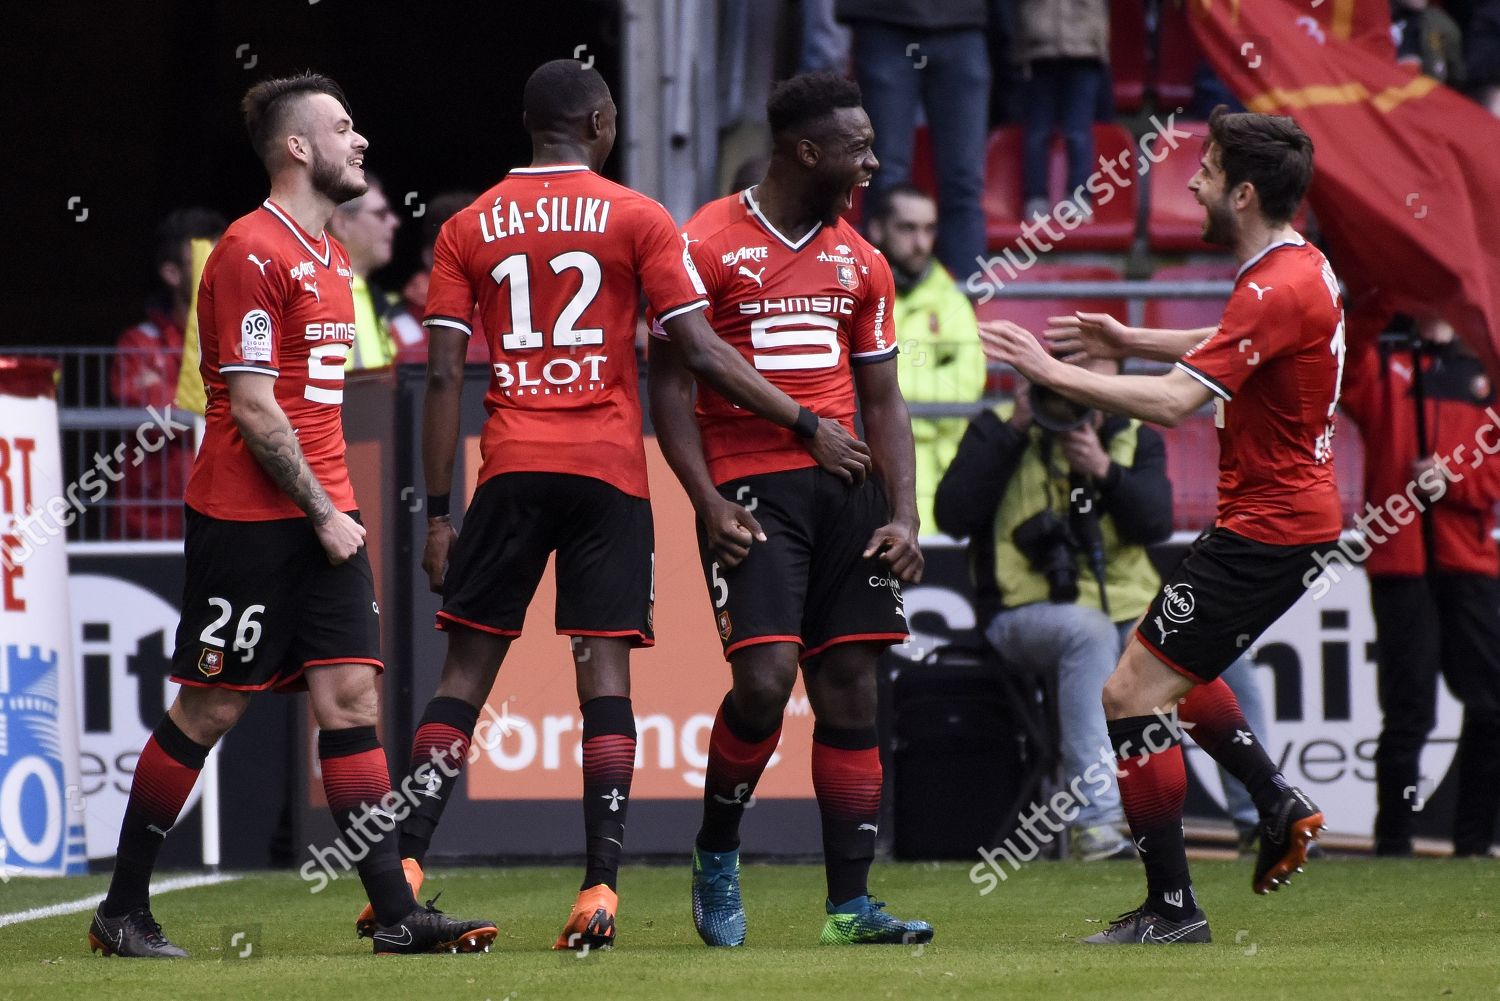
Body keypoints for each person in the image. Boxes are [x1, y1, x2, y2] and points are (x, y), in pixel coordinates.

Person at [378, 59, 871, 953]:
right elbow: (700, 352)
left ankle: (403, 868)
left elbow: (444, 371)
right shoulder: (638, 215)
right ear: (601, 123)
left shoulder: (466, 224)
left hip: (512, 465)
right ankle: (599, 886)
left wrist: (440, 512)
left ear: (529, 126)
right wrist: (807, 420)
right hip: (607, 470)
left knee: (463, 679)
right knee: (603, 679)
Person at [87, 73, 496, 958]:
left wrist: (332, 511)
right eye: (344, 127)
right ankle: (122, 909)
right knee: (210, 710)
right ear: (298, 146)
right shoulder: (247, 250)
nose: (362, 142)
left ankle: (395, 915)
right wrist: (323, 512)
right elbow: (254, 408)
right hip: (251, 518)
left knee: (352, 695)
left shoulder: (328, 256)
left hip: (326, 517)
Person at [982, 106, 1340, 944]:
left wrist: (1047, 368)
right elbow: (1229, 339)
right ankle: (1277, 799)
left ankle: (1172, 906)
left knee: (1127, 692)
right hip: (1281, 522)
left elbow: (1180, 402)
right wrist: (1127, 337)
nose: (1192, 180)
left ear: (1244, 192)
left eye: (1207, 170)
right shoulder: (1297, 269)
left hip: (1269, 528)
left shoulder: (1274, 283)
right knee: (1167, 667)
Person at [649, 72, 933, 948]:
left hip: (849, 488)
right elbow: (668, 388)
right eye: (859, 147)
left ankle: (850, 906)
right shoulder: (703, 241)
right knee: (765, 683)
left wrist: (906, 514)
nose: (874, 163)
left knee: (851, 691)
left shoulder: (864, 259)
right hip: (749, 486)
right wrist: (702, 501)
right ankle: (716, 852)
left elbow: (884, 401)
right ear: (807, 151)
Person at [934, 360, 1170, 862]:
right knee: (1089, 632)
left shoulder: (1133, 435)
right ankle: (1100, 825)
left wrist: (1104, 471)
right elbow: (951, 516)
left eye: (1094, 390)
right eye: (1063, 391)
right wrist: (1016, 428)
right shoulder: (998, 428)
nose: (1077, 405)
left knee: (1211, 637)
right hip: (1026, 613)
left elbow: (1157, 524)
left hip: (1128, 607)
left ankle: (1261, 814)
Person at [1340, 312, 1500, 857]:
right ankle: (1395, 843)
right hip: (1402, 565)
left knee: (1490, 705)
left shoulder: (1485, 368)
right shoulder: (1382, 360)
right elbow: (1340, 362)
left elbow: (1495, 470)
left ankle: (1474, 844)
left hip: (1470, 565)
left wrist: (1453, 479)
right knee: (1408, 713)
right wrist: (1372, 292)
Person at [838, 0, 990, 283]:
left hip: (962, 21)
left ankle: (967, 317)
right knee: (885, 177)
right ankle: (877, 308)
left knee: (964, 184)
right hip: (887, 18)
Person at [864, 184, 985, 532]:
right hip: (863, 470)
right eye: (908, 228)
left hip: (938, 478)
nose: (921, 243)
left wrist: (884, 394)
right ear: (877, 229)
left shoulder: (952, 301)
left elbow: (966, 389)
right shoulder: (855, 294)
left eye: (929, 229)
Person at [110, 207, 226, 539]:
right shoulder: (138, 342)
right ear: (172, 273)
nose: (220, 273)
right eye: (207, 260)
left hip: (222, 521)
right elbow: (154, 413)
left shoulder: (242, 340)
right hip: (150, 529)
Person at [1015, 0, 1110, 222]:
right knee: (1037, 132)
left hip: (1085, 47)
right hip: (1038, 47)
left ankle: (1079, 197)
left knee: (1078, 132)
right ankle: (1036, 197)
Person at [327, 172, 400, 369]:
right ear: (341, 223)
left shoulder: (381, 300)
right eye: (380, 214)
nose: (394, 222)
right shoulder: (318, 297)